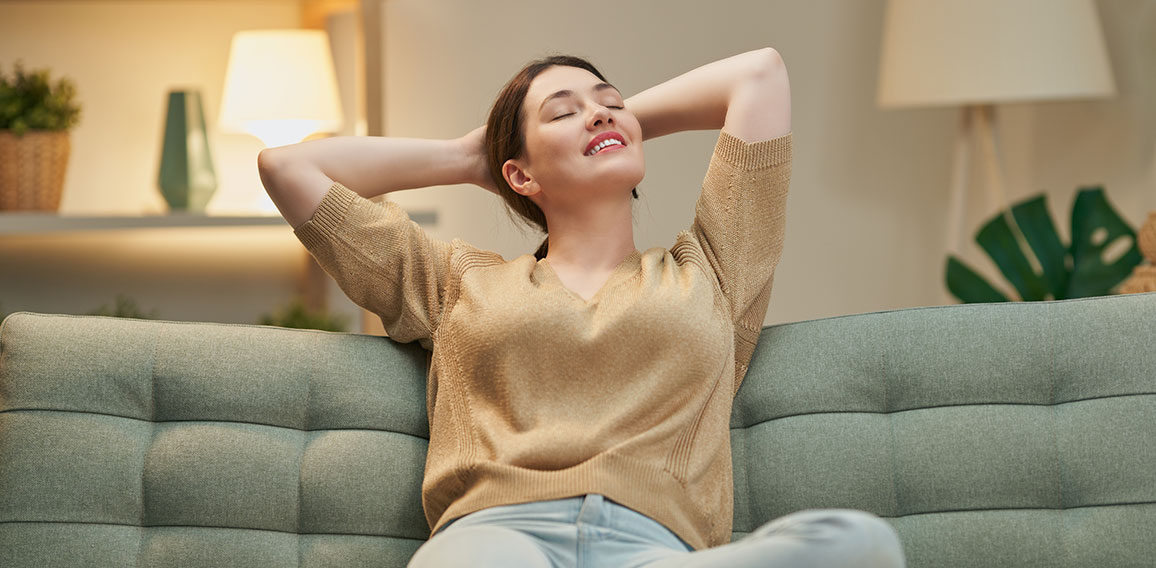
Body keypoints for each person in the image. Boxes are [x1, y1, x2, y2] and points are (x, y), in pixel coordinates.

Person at [257, 48, 906, 568]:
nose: (599, 115)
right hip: (497, 539)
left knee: (859, 544)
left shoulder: (712, 271)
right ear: (518, 175)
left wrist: (606, 126)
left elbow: (758, 75)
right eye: (563, 112)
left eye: (611, 105)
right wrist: (468, 156)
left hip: (657, 548)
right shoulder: (454, 283)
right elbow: (289, 168)